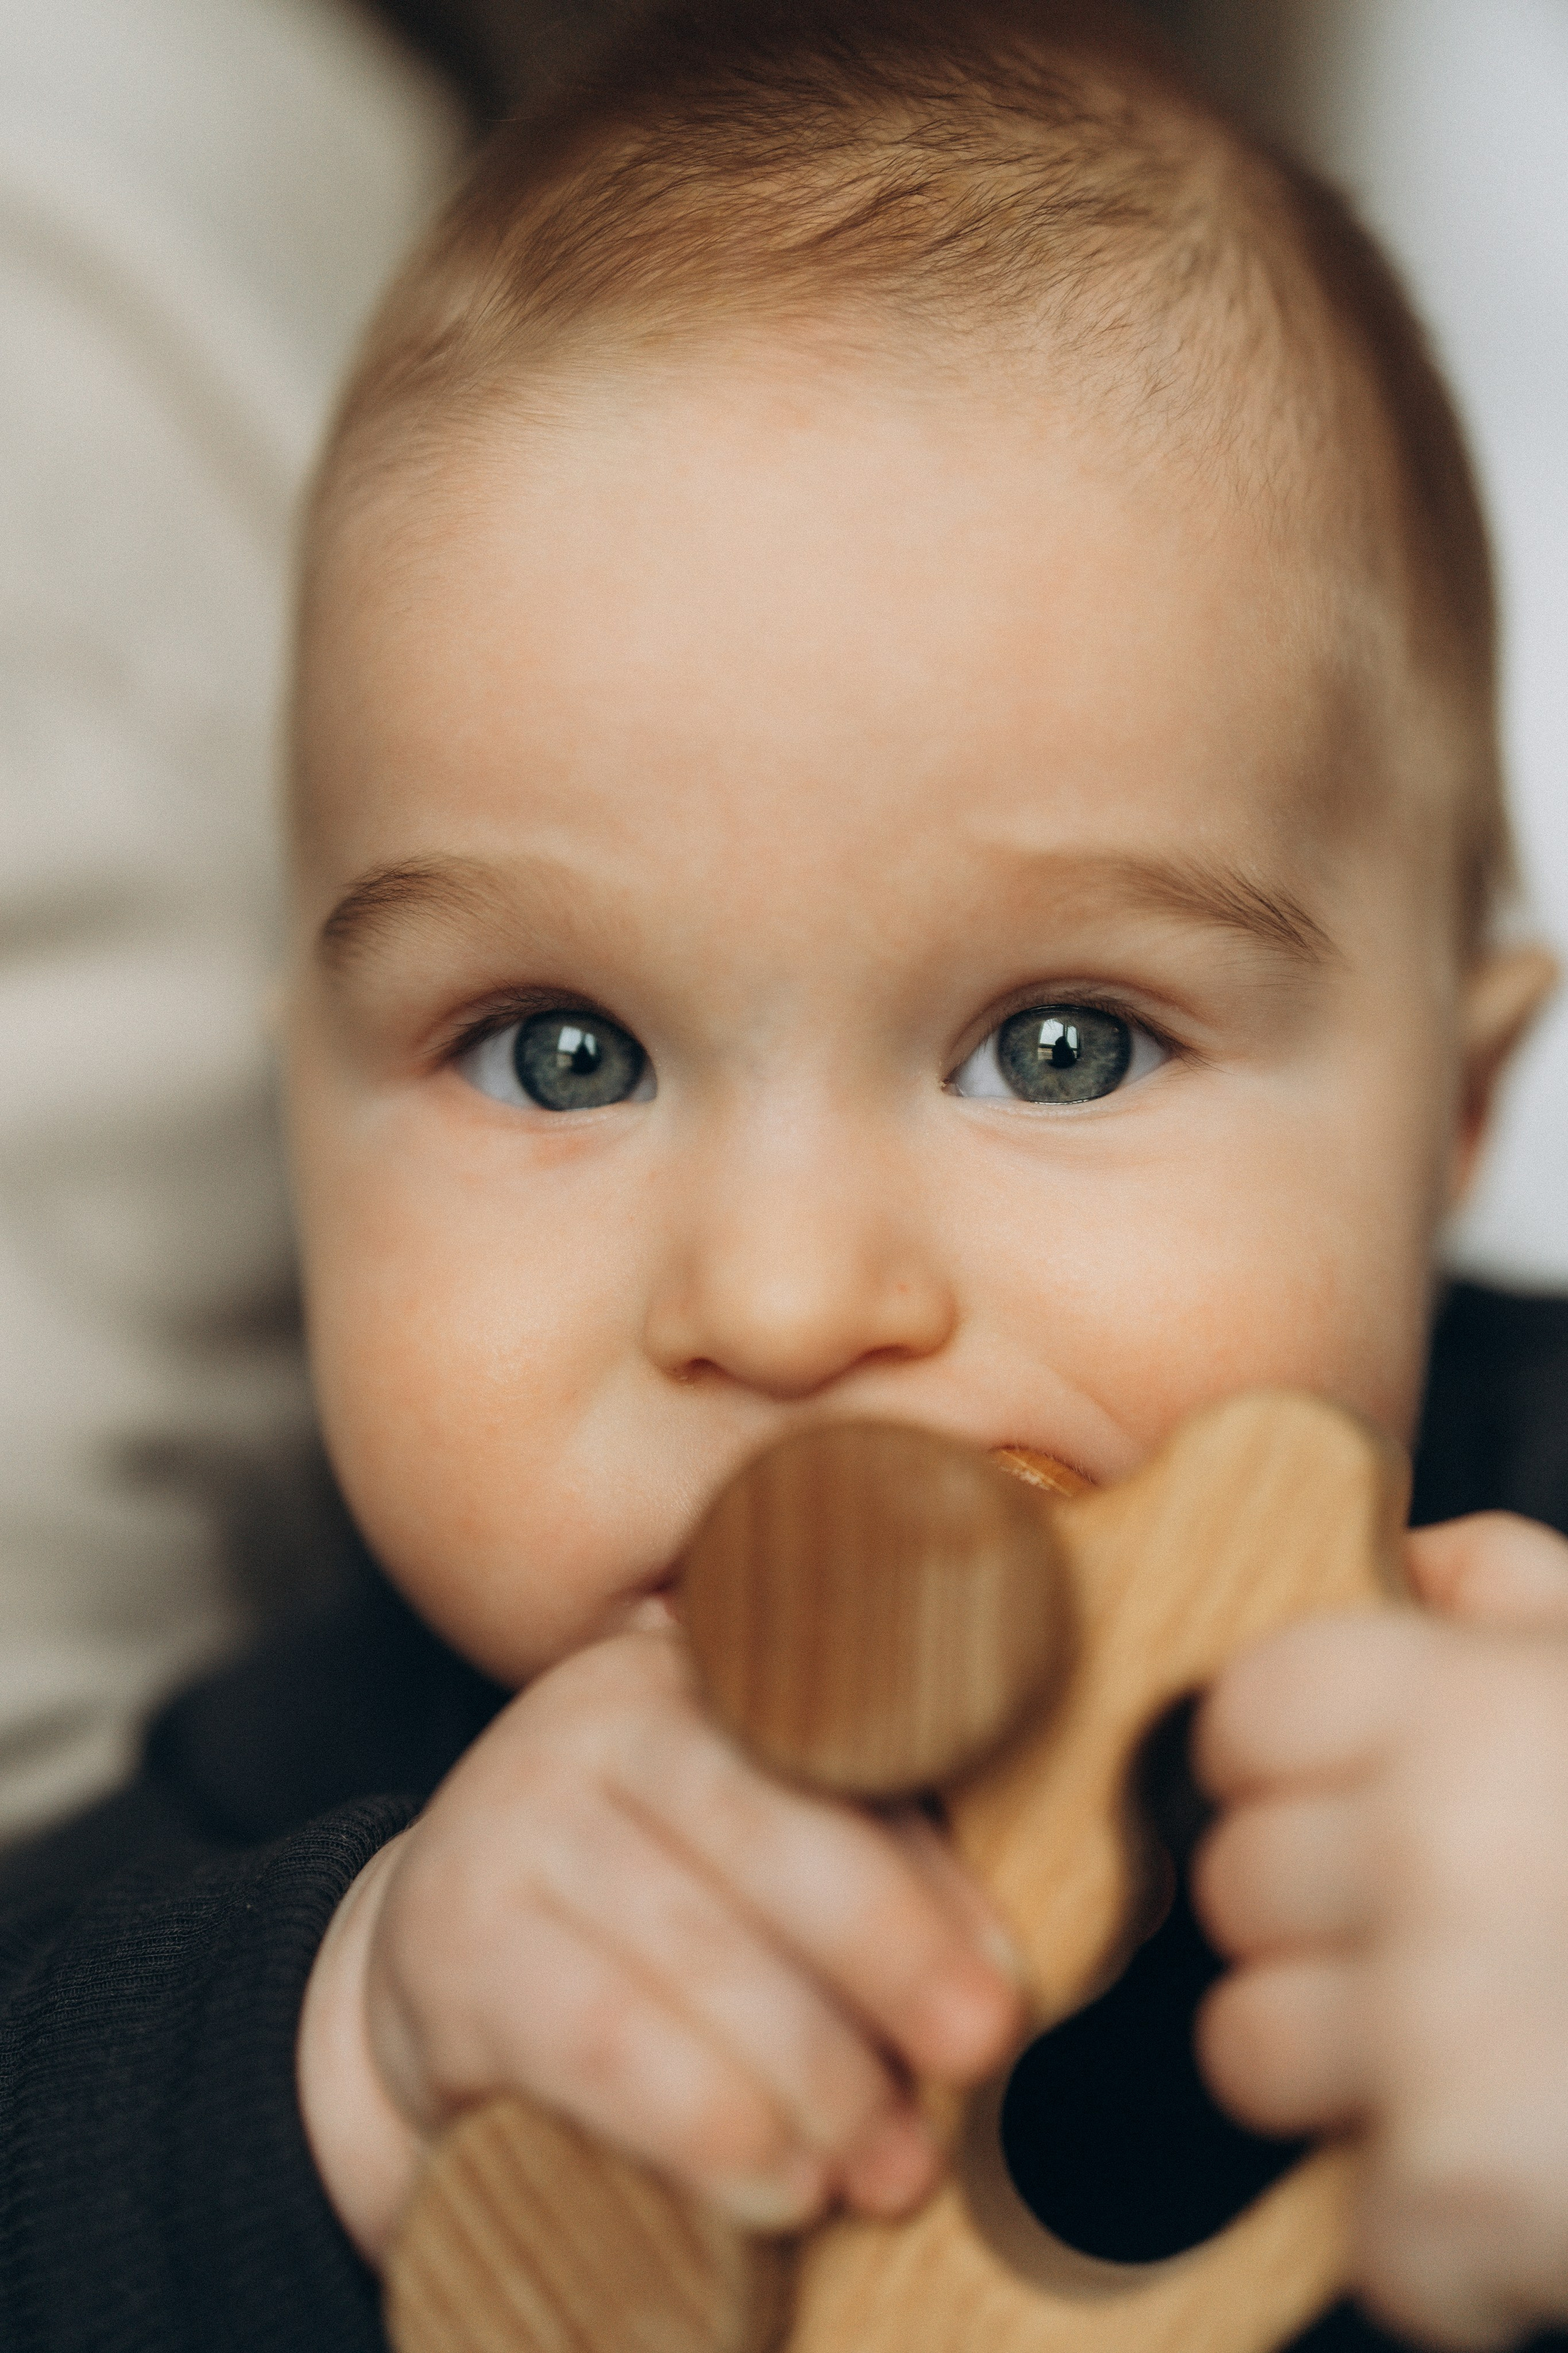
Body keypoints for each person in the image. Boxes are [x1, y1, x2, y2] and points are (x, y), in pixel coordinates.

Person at [2, 2, 1567, 2346]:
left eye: (1064, 1042)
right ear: (304, 1136)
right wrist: (348, 2056)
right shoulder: (345, 1790)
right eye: (556, 1053)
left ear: (1450, 1115)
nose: (788, 1290)